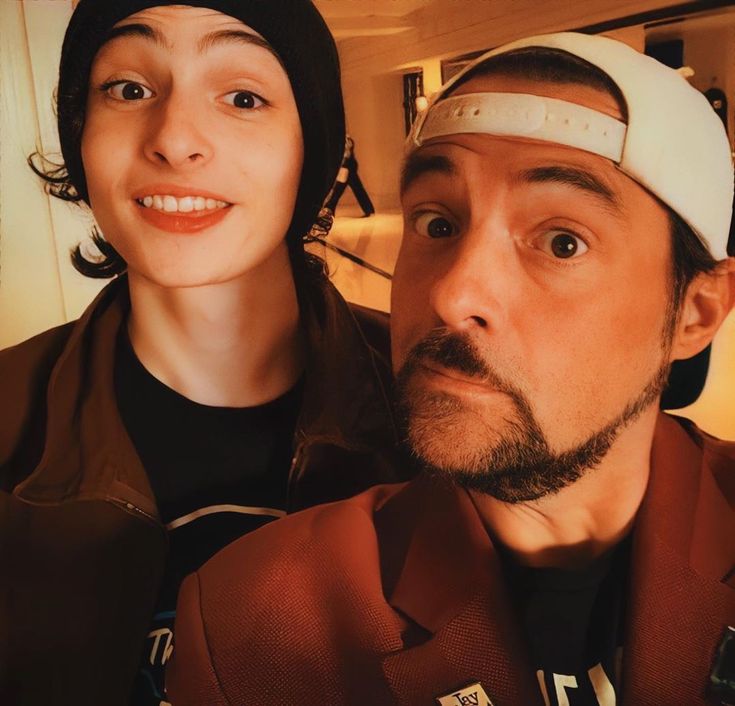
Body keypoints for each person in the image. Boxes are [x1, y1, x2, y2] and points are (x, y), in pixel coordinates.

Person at [168, 32, 735, 706]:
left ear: (694, 313)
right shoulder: (257, 620)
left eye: (561, 241)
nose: (452, 294)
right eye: (436, 224)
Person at [0, 2, 403, 704]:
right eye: (129, 89)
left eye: (242, 97)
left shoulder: (438, 401)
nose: (175, 139)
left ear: (312, 144)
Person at [324, 135, 376, 217]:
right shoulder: (346, 139)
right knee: (356, 189)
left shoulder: (345, 140)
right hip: (349, 165)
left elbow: (346, 154)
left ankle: (330, 209)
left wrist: (341, 165)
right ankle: (369, 209)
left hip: (347, 166)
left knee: (338, 190)